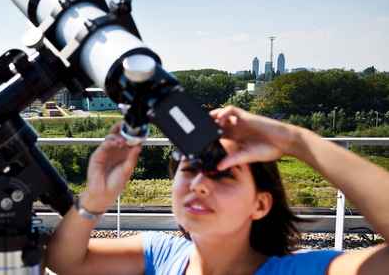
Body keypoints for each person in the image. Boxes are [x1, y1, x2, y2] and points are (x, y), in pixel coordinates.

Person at [46, 106, 388, 275]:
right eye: (191, 168)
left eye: (224, 176)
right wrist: (95, 198)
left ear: (260, 204)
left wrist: (296, 141)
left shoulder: (298, 270)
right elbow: (64, 260)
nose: (200, 184)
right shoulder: (165, 255)